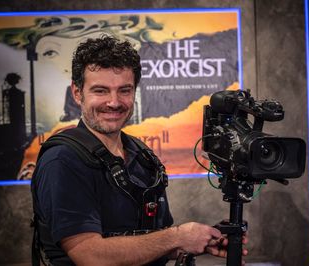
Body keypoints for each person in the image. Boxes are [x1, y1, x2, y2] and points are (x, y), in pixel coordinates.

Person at [31, 35, 247, 266]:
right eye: (101, 91)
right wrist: (177, 237)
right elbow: (90, 255)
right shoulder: (62, 160)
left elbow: (150, 244)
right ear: (77, 93)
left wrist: (198, 240)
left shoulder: (142, 155)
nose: (114, 102)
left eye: (124, 90)